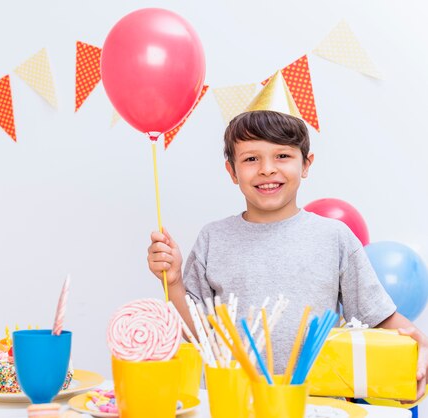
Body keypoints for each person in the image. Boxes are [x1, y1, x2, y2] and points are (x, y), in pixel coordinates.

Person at [147, 110, 428, 401]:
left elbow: (378, 317)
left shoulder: (334, 237)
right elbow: (198, 333)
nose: (267, 169)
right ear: (232, 171)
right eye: (251, 159)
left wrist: (420, 343)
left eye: (282, 156)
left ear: (306, 164)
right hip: (233, 401)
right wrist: (175, 281)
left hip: (315, 404)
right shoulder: (213, 238)